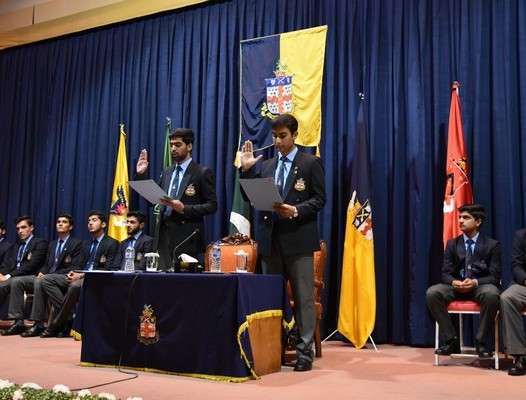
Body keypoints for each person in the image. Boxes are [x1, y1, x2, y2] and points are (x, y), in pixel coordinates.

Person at [239, 113, 326, 372]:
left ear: (295, 135)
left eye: (282, 136)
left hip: (298, 241)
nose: (277, 141)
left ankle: (304, 352)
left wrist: (295, 210)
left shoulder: (310, 163)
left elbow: (320, 199)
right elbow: (250, 196)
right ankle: (272, 349)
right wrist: (246, 171)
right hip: (270, 241)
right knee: (270, 299)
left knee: (303, 299)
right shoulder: (266, 166)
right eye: (275, 136)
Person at [136, 128, 217, 270]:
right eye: (171, 145)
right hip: (163, 235)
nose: (173, 148)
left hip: (187, 237)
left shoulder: (201, 172)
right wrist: (141, 175)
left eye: (178, 145)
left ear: (189, 146)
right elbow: (153, 200)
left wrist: (184, 208)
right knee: (163, 279)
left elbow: (212, 206)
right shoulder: (167, 172)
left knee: (182, 280)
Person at [426, 203, 501, 358]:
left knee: (492, 294)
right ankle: (451, 340)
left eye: (466, 218)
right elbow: (445, 274)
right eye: (460, 217)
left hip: (480, 287)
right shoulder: (452, 244)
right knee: (433, 293)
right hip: (456, 287)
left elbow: (494, 276)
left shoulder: (492, 245)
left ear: (478, 222)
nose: (460, 221)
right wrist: (453, 282)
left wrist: (474, 282)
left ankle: (481, 342)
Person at [39, 210, 118, 338]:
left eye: (94, 220)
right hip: (79, 276)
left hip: (96, 280)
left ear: (103, 224)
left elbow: (109, 269)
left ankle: (56, 324)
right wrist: (73, 272)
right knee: (46, 280)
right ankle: (69, 317)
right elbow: (78, 265)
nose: (90, 223)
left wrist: (81, 276)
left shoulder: (112, 243)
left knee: (75, 286)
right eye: (88, 221)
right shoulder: (86, 243)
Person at [10, 214, 83, 337]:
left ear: (70, 227)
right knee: (27, 281)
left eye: (64, 222)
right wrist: (42, 272)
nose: (60, 224)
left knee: (42, 281)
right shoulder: (52, 244)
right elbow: (46, 264)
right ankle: (28, 323)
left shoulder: (76, 243)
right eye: (58, 222)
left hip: (65, 277)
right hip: (48, 277)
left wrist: (49, 275)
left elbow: (75, 266)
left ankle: (51, 321)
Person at [0, 215, 48, 336]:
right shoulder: (16, 246)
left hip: (32, 277)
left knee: (14, 282)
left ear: (31, 228)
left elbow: (31, 265)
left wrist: (8, 276)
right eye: (18, 229)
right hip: (15, 278)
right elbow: (9, 265)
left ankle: (18, 322)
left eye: (23, 227)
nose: (20, 231)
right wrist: (1, 274)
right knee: (2, 285)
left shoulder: (39, 243)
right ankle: (18, 323)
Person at [500, 228, 526, 375]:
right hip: (524, 285)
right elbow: (516, 265)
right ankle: (520, 356)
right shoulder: (521, 235)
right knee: (508, 298)